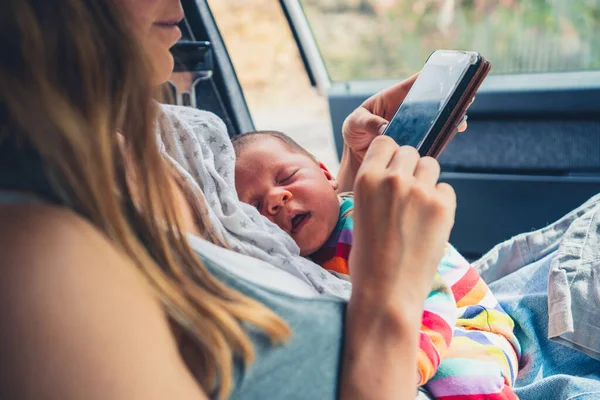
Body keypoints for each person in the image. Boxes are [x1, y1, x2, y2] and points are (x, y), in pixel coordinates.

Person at [0, 1, 456, 399]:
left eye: (290, 176)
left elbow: (282, 259)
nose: (272, 203)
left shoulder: (181, 141)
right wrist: (392, 294)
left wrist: (352, 170)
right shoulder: (34, 262)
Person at [232, 129, 520, 399]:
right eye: (254, 207)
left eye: (287, 178)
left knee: (459, 380)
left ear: (326, 174)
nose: (275, 199)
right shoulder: (293, 262)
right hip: (416, 333)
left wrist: (409, 362)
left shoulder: (367, 223)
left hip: (467, 321)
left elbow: (435, 297)